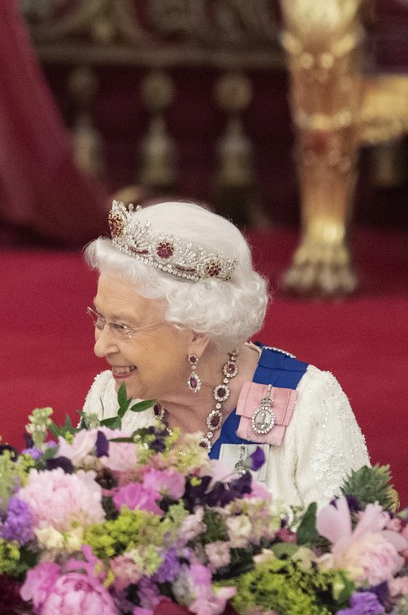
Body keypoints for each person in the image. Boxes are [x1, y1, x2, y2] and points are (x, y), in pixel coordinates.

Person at [81, 199, 369, 509]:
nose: (101, 347)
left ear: (195, 332)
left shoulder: (309, 405)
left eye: (123, 326)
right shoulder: (110, 398)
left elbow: (350, 547)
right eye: (100, 318)